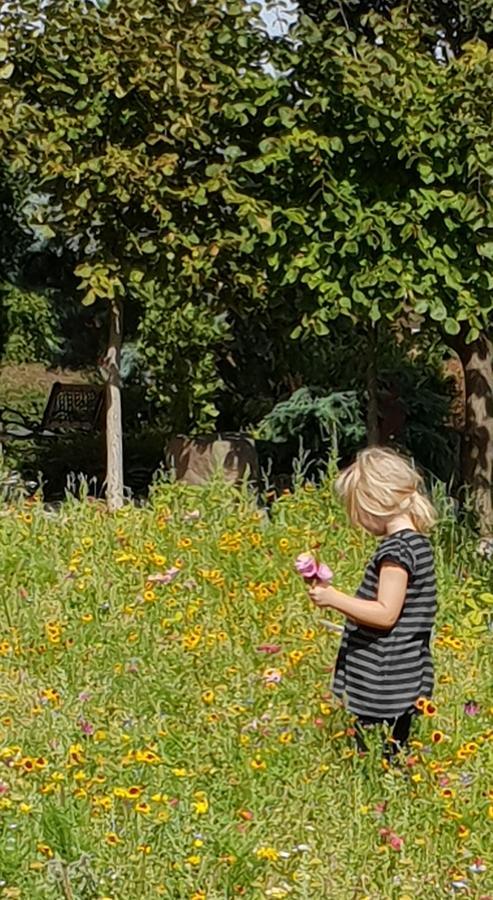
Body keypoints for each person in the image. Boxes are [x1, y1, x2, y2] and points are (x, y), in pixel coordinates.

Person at [308, 447, 437, 760]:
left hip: (384, 678)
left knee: (372, 755)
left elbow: (385, 614)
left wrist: (332, 598)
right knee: (396, 753)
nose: (359, 522)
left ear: (374, 504)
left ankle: (375, 794)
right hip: (407, 671)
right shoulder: (418, 545)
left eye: (358, 512)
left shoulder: (396, 553)